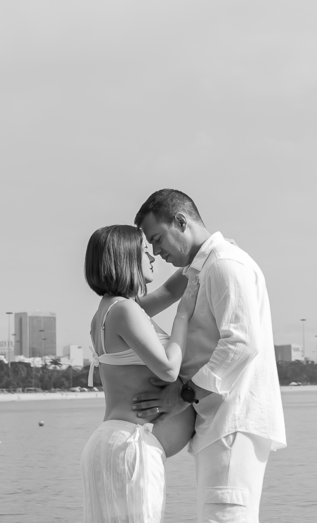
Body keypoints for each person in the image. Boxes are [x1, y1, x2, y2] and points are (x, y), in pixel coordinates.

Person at [132, 189, 286, 523]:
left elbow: (242, 344)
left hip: (232, 421)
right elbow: (153, 301)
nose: (156, 252)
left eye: (158, 239)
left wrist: (184, 394)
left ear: (181, 221)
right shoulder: (201, 268)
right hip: (217, 421)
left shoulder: (224, 265)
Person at [81, 224, 197, 523]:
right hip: (130, 448)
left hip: (118, 446)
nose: (155, 256)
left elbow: (171, 290)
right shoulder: (124, 311)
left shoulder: (112, 310)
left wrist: (207, 255)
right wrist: (182, 318)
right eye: (147, 251)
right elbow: (169, 369)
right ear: (126, 258)